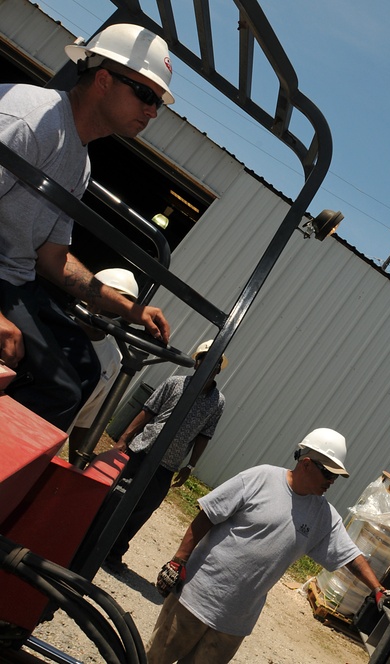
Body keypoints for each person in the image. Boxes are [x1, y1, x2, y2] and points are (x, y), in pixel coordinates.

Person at [0, 23, 173, 430]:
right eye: (146, 95)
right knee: (57, 388)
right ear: (103, 79)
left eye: (158, 103)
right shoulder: (31, 118)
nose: (152, 110)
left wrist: (130, 308)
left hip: (16, 280)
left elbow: (53, 258)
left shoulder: (80, 162)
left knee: (84, 372)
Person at [146, 428, 389, 664]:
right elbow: (208, 515)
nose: (332, 481)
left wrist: (377, 589)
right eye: (328, 474)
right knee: (156, 659)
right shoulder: (261, 478)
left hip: (234, 623)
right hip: (196, 599)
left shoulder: (323, 516)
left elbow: (351, 557)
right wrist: (178, 561)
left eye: (336, 477)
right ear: (306, 464)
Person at [102, 340, 227, 574]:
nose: (210, 365)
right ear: (196, 363)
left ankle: (113, 553)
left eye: (216, 363)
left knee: (143, 509)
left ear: (219, 369)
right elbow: (148, 411)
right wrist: (124, 439)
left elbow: (204, 435)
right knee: (115, 496)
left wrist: (190, 465)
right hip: (143, 450)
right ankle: (92, 540)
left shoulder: (217, 402)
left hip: (167, 465)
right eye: (205, 359)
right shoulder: (175, 383)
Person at [67, 267, 140, 463]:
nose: (105, 311)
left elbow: (84, 419)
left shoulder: (113, 358)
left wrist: (76, 466)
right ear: (90, 298)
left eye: (118, 308)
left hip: (48, 442)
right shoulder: (56, 326)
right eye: (107, 301)